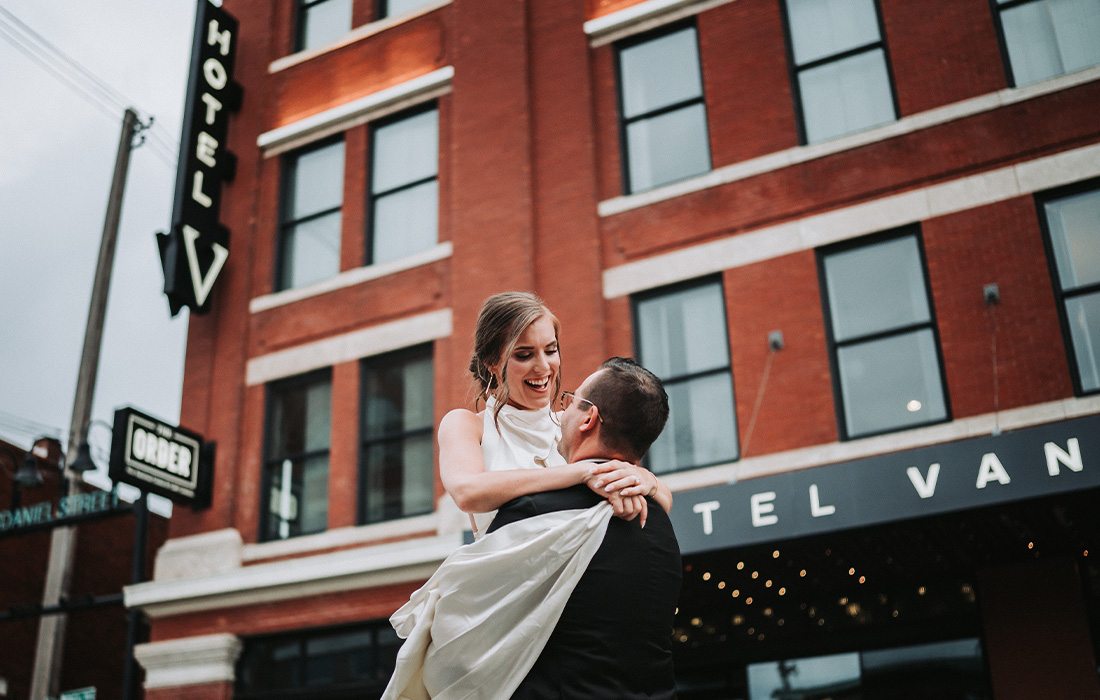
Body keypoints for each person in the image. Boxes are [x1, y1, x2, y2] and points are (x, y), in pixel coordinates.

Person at [382, 292, 674, 699]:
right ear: (492, 363)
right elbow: (468, 492)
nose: (543, 367)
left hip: (576, 621)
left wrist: (647, 481)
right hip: (502, 613)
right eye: (523, 355)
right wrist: (578, 473)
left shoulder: (574, 422)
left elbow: (658, 500)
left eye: (550, 350)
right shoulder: (469, 425)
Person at [489, 356, 681, 698]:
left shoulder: (535, 512)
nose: (561, 414)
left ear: (589, 417)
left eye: (571, 402)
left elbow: (472, 630)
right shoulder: (661, 528)